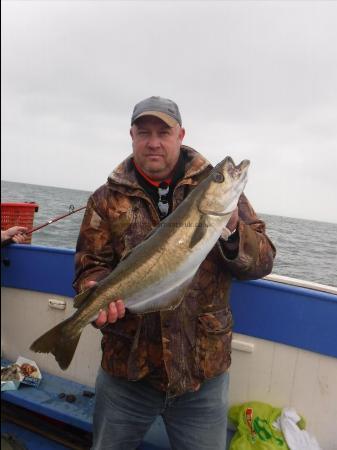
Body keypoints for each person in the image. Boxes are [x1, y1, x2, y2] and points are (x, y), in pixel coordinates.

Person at [73, 96, 276, 450]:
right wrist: (93, 287)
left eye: (163, 132)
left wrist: (230, 228)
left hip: (201, 376)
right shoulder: (105, 199)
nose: (154, 142)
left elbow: (263, 261)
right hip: (126, 374)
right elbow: (90, 264)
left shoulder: (217, 192)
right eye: (144, 132)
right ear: (132, 136)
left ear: (180, 135)